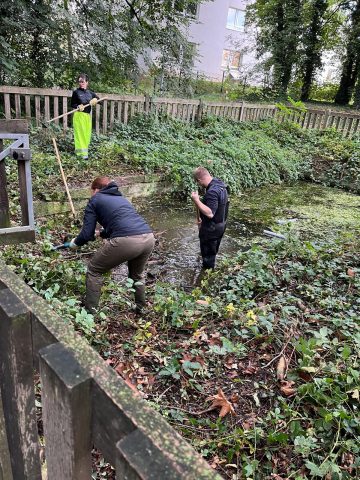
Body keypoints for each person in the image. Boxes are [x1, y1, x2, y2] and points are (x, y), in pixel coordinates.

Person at [69, 176, 155, 313]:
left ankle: (90, 312)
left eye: (91, 191)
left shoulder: (95, 199)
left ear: (96, 190)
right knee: (137, 275)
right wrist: (101, 233)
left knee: (94, 270)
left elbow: (86, 234)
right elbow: (120, 224)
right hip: (148, 238)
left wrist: (76, 243)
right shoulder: (121, 199)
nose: (91, 194)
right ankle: (141, 307)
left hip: (128, 241)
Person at [191, 167, 229, 270]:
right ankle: (210, 270)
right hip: (221, 225)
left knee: (208, 258)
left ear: (199, 180)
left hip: (211, 230)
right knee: (213, 252)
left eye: (198, 183)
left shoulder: (212, 192)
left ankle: (206, 278)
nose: (199, 185)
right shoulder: (220, 184)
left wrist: (196, 200)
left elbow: (210, 213)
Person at [71, 73, 99, 161]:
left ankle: (84, 153)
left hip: (87, 116)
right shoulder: (76, 92)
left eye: (83, 81)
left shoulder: (90, 93)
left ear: (87, 82)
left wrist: (95, 100)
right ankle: (81, 155)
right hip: (79, 116)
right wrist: (78, 106)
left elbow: (99, 99)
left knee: (87, 135)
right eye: (79, 81)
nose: (81, 83)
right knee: (80, 135)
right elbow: (72, 104)